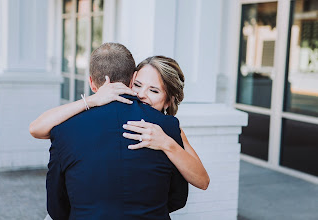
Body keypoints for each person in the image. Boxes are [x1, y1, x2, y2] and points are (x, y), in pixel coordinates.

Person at [36, 42, 191, 220]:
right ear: (133, 79)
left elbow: (56, 205)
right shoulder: (167, 126)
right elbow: (178, 198)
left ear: (92, 83)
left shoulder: (64, 128)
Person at [30, 56, 210, 192]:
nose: (141, 94)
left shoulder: (170, 129)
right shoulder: (107, 115)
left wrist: (167, 143)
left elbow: (202, 181)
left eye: (153, 90)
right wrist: (92, 100)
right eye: (137, 85)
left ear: (168, 101)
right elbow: (36, 129)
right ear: (130, 81)